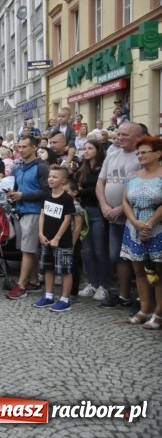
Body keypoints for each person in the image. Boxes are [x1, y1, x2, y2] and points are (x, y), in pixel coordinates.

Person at [96, 122, 142, 308]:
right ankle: (124, 295)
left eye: (125, 135)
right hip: (112, 217)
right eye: (119, 134)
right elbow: (101, 182)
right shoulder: (112, 155)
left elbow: (142, 187)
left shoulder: (141, 156)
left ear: (138, 137)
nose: (120, 137)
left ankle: (143, 298)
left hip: (134, 217)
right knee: (117, 257)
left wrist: (121, 208)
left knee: (139, 258)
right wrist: (104, 205)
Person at [120, 135, 162, 328]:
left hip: (158, 227)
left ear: (158, 153)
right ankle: (145, 309)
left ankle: (159, 313)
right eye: (138, 153)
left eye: (144, 152)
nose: (140, 156)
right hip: (134, 227)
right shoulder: (132, 176)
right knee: (139, 270)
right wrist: (136, 222)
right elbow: (125, 201)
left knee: (158, 271)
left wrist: (150, 223)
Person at [6, 136, 51, 299]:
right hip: (21, 211)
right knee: (30, 250)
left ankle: (21, 285)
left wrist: (23, 196)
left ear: (33, 147)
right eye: (19, 147)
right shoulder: (18, 168)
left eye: (24, 147)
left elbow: (47, 192)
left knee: (27, 250)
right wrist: (12, 194)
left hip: (35, 212)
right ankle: (34, 281)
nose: (21, 150)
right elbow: (18, 189)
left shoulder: (41, 167)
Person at [32, 166, 76, 312]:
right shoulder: (46, 195)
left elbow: (67, 220)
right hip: (46, 239)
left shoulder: (67, 198)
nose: (51, 179)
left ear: (63, 181)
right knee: (48, 268)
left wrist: (57, 238)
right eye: (50, 176)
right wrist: (40, 233)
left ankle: (65, 299)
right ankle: (48, 295)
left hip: (62, 241)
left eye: (55, 177)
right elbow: (42, 215)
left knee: (65, 270)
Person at [76, 140, 109, 300]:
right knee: (87, 251)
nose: (86, 151)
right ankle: (92, 283)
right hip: (84, 211)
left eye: (90, 148)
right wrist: (82, 191)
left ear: (98, 150)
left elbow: (98, 189)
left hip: (97, 211)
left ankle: (104, 285)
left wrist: (81, 192)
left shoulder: (103, 169)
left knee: (100, 250)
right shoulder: (82, 169)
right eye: (84, 148)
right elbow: (76, 187)